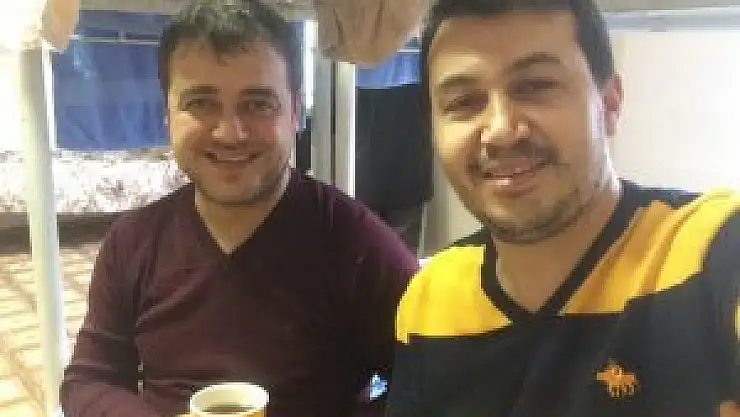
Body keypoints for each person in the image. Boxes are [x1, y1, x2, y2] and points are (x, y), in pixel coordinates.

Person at [60, 1, 417, 416]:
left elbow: (432, 385)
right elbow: (89, 381)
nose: (230, 133)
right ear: (167, 114)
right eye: (201, 103)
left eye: (258, 104)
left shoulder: (358, 246)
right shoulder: (132, 243)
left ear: (295, 112)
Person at [387, 0, 740, 416]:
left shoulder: (710, 251)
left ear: (609, 104)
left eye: (536, 86)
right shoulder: (433, 299)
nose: (501, 131)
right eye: (464, 102)